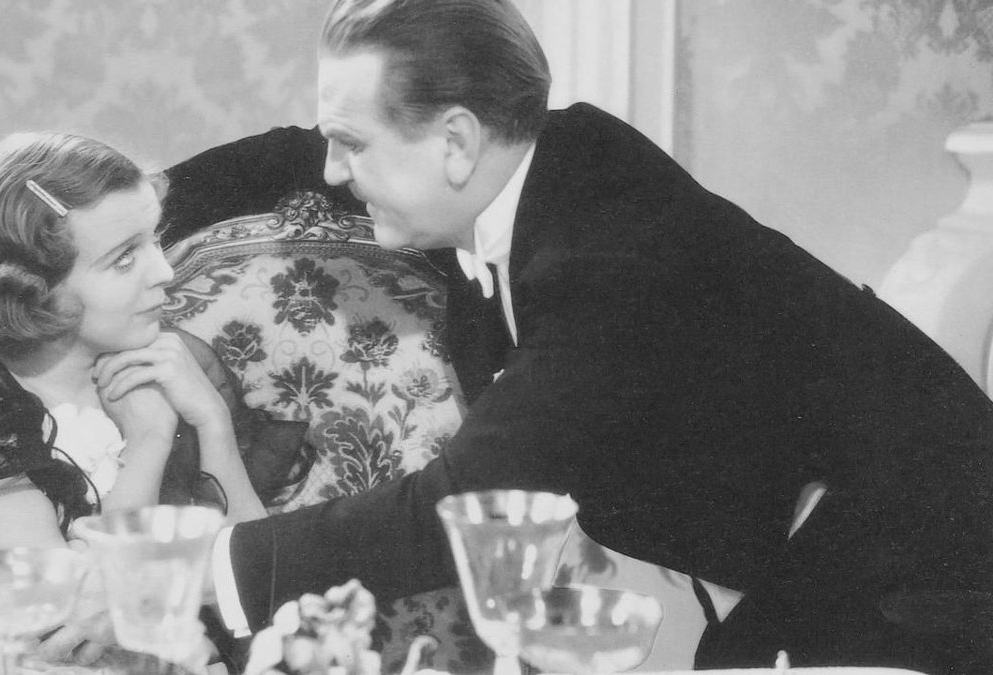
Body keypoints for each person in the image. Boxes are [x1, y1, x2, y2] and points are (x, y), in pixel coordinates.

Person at [158, 1, 993, 673]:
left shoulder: (606, 261)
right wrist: (147, 199)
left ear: (455, 141)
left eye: (351, 145)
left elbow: (461, 504)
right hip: (828, 541)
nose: (332, 172)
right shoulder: (539, 157)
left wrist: (197, 568)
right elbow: (300, 153)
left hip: (929, 569)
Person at [0, 132, 310, 674]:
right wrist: (149, 443)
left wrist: (212, 422)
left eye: (154, 240)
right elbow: (69, 622)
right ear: (38, 287)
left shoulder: (178, 360)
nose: (165, 272)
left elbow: (261, 585)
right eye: (124, 258)